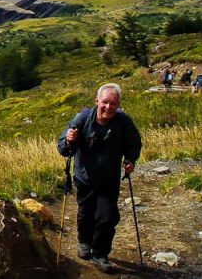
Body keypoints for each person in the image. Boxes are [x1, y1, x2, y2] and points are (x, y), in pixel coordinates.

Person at [57, 83, 143, 272]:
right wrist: (68, 140)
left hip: (109, 180)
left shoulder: (123, 122)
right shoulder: (83, 118)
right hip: (85, 178)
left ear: (118, 104)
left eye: (113, 103)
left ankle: (100, 253)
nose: (108, 107)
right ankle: (84, 243)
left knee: (106, 217)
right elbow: (63, 149)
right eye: (105, 102)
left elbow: (134, 143)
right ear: (97, 101)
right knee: (85, 213)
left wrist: (130, 159)